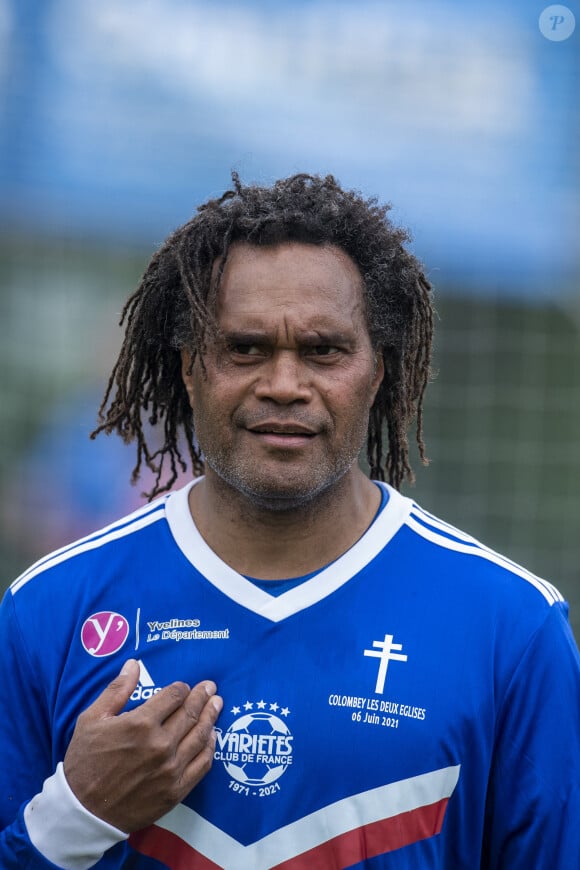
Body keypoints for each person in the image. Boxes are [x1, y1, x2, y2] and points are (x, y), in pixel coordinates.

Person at [0, 173, 578, 869]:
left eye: (323, 351)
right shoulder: (48, 610)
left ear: (380, 371)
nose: (282, 384)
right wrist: (73, 818)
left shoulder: (510, 627)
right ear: (189, 370)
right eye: (244, 348)